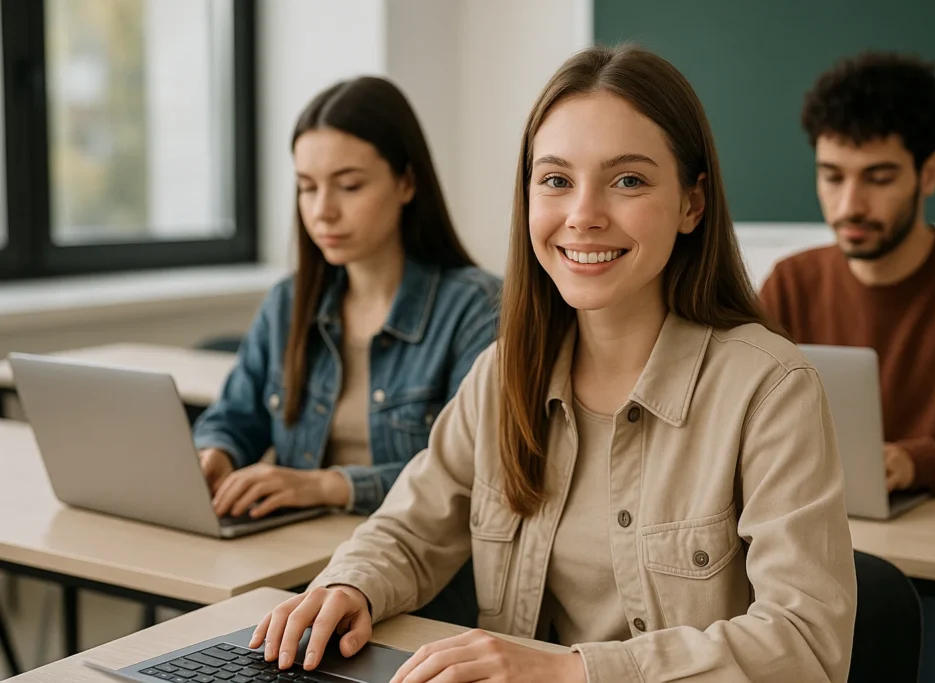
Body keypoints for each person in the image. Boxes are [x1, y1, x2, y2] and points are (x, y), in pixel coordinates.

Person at [251, 45, 857, 682]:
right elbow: (410, 528)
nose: (583, 216)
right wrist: (349, 586)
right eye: (557, 180)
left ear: (692, 204)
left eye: (628, 180)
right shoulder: (503, 374)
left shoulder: (769, 387)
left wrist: (573, 673)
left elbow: (806, 642)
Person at [191, 76, 501, 626]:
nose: (323, 211)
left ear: (407, 182)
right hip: (296, 573)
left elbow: (469, 478)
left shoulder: (477, 309)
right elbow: (235, 416)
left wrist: (325, 486)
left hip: (420, 592)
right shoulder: (290, 303)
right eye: (307, 187)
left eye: (349, 186)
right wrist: (217, 453)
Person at [760, 52, 935, 681]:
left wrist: (913, 461)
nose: (849, 203)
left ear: (929, 173)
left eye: (878, 178)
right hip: (813, 553)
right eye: (831, 176)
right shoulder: (790, 284)